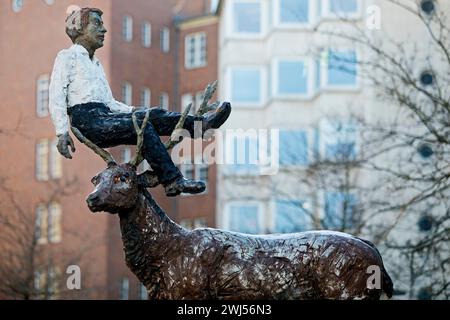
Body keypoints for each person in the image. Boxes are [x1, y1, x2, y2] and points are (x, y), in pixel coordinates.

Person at [49, 7, 231, 197]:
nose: (104, 30)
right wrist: (62, 132)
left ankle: (201, 126)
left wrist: (136, 110)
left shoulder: (96, 64)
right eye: (97, 24)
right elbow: (56, 96)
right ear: (79, 28)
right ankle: (172, 180)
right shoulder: (67, 57)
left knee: (154, 115)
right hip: (88, 122)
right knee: (141, 127)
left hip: (105, 115)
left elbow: (109, 102)